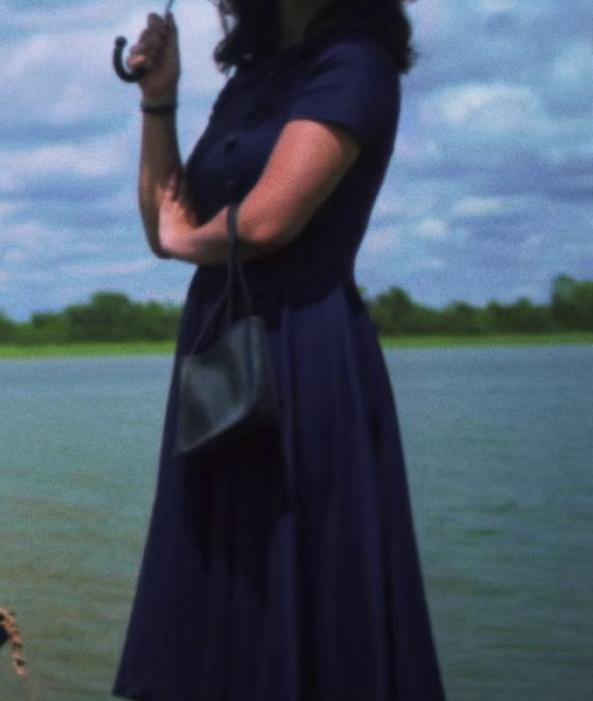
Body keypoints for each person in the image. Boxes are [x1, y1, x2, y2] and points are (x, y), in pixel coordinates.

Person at [114, 1, 445, 699]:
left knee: (301, 564)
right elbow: (169, 218)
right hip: (217, 348)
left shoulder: (355, 62)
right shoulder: (254, 72)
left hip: (302, 348)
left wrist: (180, 242)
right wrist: (158, 100)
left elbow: (266, 221)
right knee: (214, 570)